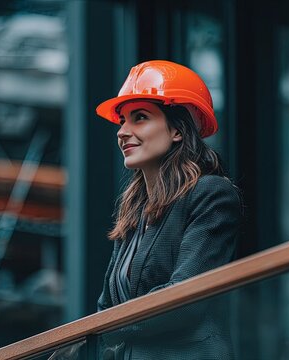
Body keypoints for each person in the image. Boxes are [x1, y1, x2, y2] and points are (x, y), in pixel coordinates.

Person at [94, 60, 243, 359]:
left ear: (177, 129)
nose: (123, 131)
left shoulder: (212, 194)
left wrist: (102, 330)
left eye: (140, 118)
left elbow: (183, 299)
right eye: (123, 120)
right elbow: (106, 308)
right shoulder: (135, 211)